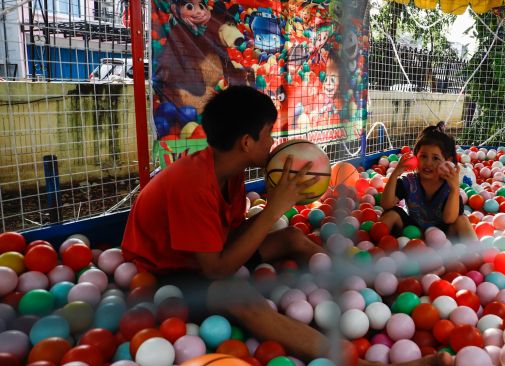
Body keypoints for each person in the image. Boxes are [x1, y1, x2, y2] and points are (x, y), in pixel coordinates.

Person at [122, 86, 452, 365]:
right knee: (236, 295)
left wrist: (278, 208)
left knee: (291, 236)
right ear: (247, 143)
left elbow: (230, 237)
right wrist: (275, 207)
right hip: (163, 271)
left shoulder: (229, 172)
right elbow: (216, 270)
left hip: (205, 254)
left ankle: (365, 294)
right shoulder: (192, 185)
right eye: (268, 134)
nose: (273, 143)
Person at [380, 123, 476, 242]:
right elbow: (386, 204)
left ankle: (476, 255)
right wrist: (395, 173)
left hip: (443, 237)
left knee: (462, 220)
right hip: (412, 232)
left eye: (435, 158)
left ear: (448, 162)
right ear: (415, 157)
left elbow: (449, 219)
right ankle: (376, 248)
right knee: (390, 214)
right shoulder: (409, 182)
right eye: (423, 156)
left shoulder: (449, 188)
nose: (428, 163)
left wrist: (455, 189)